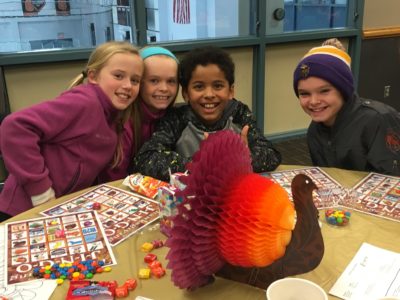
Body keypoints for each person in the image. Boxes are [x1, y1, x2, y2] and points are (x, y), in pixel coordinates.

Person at [0, 41, 144, 221]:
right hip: (22, 210)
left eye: (135, 80)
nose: (128, 85)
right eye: (118, 76)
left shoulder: (114, 116)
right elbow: (15, 126)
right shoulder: (85, 102)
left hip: (55, 210)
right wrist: (41, 192)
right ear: (93, 76)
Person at [133, 46, 282, 182]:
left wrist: (244, 158)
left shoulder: (238, 113)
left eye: (218, 86)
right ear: (186, 93)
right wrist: (203, 163)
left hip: (233, 197)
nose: (209, 94)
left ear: (231, 91)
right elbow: (147, 158)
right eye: (199, 87)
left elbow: (271, 154)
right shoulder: (176, 118)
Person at [293, 38, 400, 176]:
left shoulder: (378, 119)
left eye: (324, 91)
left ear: (343, 90)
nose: (313, 101)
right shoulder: (315, 130)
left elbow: (391, 181)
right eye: (304, 94)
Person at [98, 46, 179, 182]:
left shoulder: (174, 118)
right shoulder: (123, 123)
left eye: (171, 81)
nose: (164, 88)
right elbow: (114, 180)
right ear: (138, 83)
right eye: (154, 80)